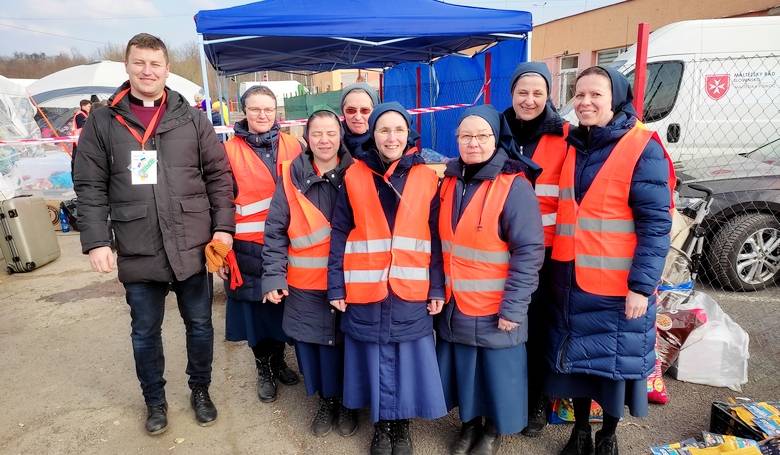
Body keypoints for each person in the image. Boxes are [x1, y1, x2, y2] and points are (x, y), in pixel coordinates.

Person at [73, 33, 235, 435]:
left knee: (200, 325)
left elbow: (219, 177)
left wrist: (223, 228)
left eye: (155, 64)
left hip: (192, 244)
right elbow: (89, 185)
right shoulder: (103, 121)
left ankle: (200, 390)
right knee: (145, 332)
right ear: (127, 66)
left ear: (167, 69)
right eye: (140, 63)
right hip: (138, 245)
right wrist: (96, 240)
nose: (147, 71)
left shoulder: (191, 119)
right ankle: (155, 401)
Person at [546, 66, 674, 455]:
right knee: (579, 365)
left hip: (618, 286)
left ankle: (608, 435)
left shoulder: (642, 147)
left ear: (616, 99)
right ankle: (580, 430)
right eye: (579, 94)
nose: (585, 102)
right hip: (571, 278)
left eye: (595, 95)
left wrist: (641, 286)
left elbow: (656, 225)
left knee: (614, 366)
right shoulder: (574, 144)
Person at [328, 102, 447, 455]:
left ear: (409, 134)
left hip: (411, 287)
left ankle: (402, 427)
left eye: (398, 130)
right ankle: (382, 427)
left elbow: (436, 237)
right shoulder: (353, 175)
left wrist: (437, 286)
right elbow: (339, 232)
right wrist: (336, 284)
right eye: (383, 130)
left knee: (406, 358)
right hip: (366, 287)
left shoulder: (427, 177)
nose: (391, 137)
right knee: (374, 356)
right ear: (373, 134)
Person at [436, 105, 545, 455]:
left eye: (482, 135)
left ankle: (492, 431)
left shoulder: (514, 186)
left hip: (497, 306)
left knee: (496, 375)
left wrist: (514, 307)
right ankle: (469, 425)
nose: (474, 143)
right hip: (455, 303)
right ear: (457, 140)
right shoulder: (448, 182)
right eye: (466, 136)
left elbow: (529, 251)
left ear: (496, 139)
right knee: (465, 372)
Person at [261, 106, 358, 437]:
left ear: (341, 136)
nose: (324, 140)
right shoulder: (290, 175)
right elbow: (275, 230)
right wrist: (273, 277)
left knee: (347, 345)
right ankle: (327, 401)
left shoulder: (357, 173)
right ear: (306, 138)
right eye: (317, 133)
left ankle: (348, 404)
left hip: (349, 282)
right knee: (314, 347)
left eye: (331, 133)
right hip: (305, 285)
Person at [222, 84, 301, 405]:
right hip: (246, 248)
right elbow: (219, 201)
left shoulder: (294, 145)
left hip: (287, 245)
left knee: (280, 310)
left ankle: (279, 361)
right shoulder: (228, 151)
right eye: (255, 109)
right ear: (244, 112)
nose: (262, 115)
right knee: (255, 315)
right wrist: (221, 247)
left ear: (276, 111)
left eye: (268, 109)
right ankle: (264, 368)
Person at [502, 61, 570, 437]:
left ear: (548, 95)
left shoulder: (565, 136)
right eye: (522, 92)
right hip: (499, 251)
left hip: (545, 253)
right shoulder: (496, 129)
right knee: (506, 328)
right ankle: (506, 397)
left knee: (542, 329)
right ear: (512, 93)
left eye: (537, 93)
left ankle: (538, 401)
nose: (529, 100)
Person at [339, 82, 379, 153]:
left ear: (374, 112)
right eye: (351, 110)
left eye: (365, 110)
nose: (358, 117)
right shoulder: (331, 140)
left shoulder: (386, 142)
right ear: (343, 111)